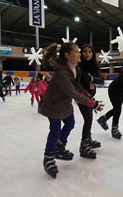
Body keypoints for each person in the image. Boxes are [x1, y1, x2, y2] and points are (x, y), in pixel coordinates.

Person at [39, 42, 104, 178]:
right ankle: (48, 158)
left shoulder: (75, 68)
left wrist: (88, 96)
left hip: (65, 104)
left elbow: (77, 86)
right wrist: (90, 103)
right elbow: (72, 92)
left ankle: (59, 147)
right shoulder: (61, 72)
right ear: (67, 55)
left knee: (70, 124)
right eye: (76, 52)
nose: (79, 54)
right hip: (53, 105)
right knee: (55, 130)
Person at [77, 44, 104, 159]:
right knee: (87, 119)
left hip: (91, 95)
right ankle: (84, 146)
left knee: (90, 119)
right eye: (85, 51)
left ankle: (88, 139)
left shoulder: (95, 65)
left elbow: (101, 80)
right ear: (81, 54)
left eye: (90, 51)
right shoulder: (78, 66)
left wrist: (92, 78)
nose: (87, 53)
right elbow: (76, 82)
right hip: (81, 95)